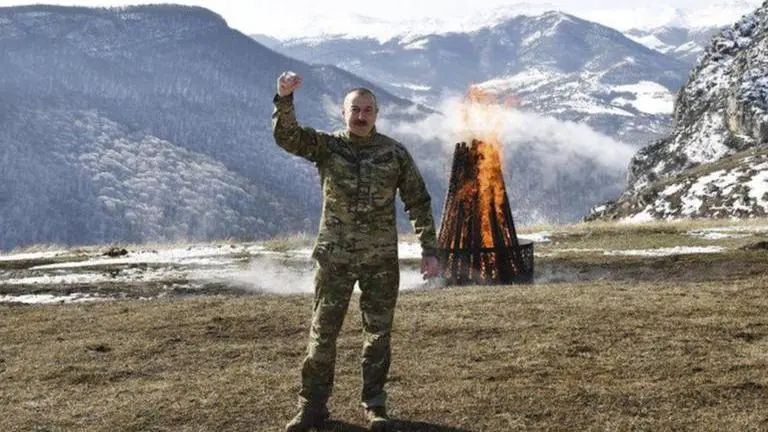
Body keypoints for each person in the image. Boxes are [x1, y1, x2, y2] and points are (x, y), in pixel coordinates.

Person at [272, 71, 440, 432]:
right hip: (335, 258)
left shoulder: (394, 153)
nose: (361, 116)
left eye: (368, 110)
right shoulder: (327, 146)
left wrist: (429, 249)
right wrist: (284, 99)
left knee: (378, 336)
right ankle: (312, 408)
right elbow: (287, 137)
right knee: (322, 334)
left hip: (380, 260)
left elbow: (418, 201)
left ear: (376, 114)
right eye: (355, 110)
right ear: (343, 113)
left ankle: (375, 407)